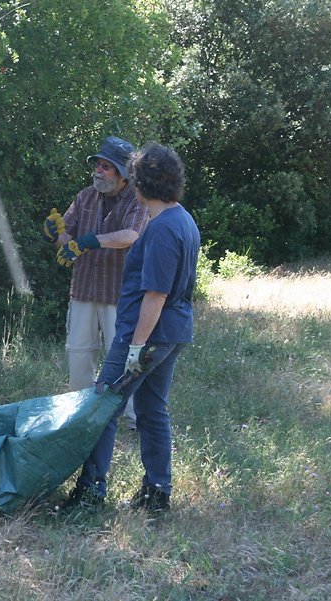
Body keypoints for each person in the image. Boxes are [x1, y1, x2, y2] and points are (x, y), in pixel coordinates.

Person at [63, 142, 200, 513]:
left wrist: (135, 349)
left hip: (148, 335)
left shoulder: (161, 230)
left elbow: (155, 295)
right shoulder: (181, 218)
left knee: (104, 404)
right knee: (153, 409)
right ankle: (157, 492)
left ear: (139, 183)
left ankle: (90, 493)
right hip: (174, 331)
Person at [42, 136, 149, 429]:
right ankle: (80, 411)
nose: (98, 171)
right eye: (97, 165)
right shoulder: (84, 196)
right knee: (78, 352)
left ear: (124, 175)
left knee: (125, 358)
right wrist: (55, 234)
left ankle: (129, 419)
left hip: (121, 293)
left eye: (106, 167)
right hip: (84, 290)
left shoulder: (138, 199)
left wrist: (89, 241)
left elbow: (131, 235)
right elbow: (67, 240)